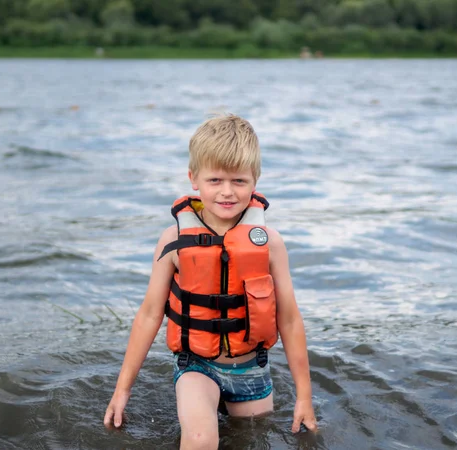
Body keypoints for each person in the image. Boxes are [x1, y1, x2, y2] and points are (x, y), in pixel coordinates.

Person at [103, 114, 317, 449]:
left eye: (239, 181)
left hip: (251, 368)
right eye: (215, 180)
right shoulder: (173, 240)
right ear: (194, 178)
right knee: (201, 439)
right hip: (196, 364)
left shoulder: (269, 243)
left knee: (251, 437)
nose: (227, 192)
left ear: (255, 180)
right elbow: (148, 314)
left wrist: (304, 397)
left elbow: (289, 319)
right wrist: (122, 391)